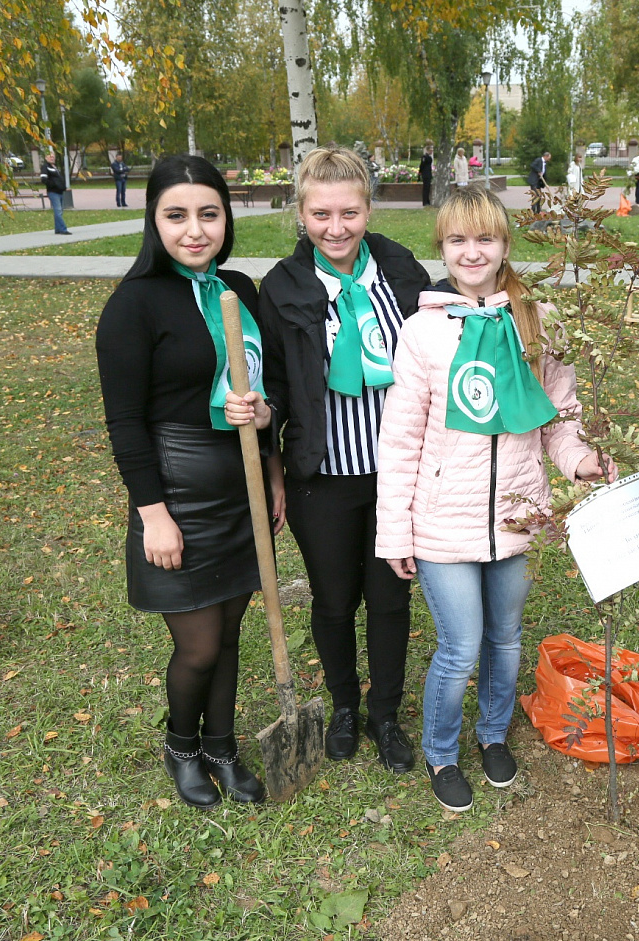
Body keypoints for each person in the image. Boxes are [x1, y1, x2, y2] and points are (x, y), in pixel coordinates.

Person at [375, 186, 616, 812]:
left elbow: (558, 416)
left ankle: (492, 735)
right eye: (458, 240)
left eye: (485, 238)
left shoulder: (534, 322)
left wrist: (581, 459)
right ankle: (443, 750)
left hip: (517, 515)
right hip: (440, 523)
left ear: (506, 244)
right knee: (461, 646)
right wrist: (395, 535)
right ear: (443, 249)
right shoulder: (422, 332)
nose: (472, 251)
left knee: (505, 640)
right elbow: (399, 441)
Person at [96, 155, 276, 809]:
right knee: (198, 645)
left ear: (226, 218)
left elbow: (266, 389)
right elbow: (124, 422)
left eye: (209, 213)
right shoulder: (134, 304)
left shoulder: (241, 291)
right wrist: (155, 514)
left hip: (241, 492)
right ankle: (181, 744)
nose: (194, 229)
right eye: (177, 215)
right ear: (154, 219)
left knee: (230, 633)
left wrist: (266, 430)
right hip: (178, 497)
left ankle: (222, 746)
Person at [257, 146, 429, 773]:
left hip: (395, 472)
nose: (337, 228)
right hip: (322, 474)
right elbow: (274, 379)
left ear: (367, 208)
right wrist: (268, 435)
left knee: (389, 598)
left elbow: (439, 346)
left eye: (349, 213)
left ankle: (384, 712)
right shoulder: (280, 288)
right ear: (301, 213)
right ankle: (344, 708)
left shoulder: (399, 268)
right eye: (321, 214)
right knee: (334, 598)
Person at [40, 151, 70, 235]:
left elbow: (59, 179)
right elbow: (44, 179)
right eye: (50, 157)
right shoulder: (45, 167)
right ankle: (63, 229)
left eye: (53, 156)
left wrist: (63, 187)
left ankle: (58, 229)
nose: (52, 158)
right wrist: (54, 185)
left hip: (59, 192)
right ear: (46, 158)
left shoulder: (55, 167)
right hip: (53, 192)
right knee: (58, 211)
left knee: (59, 211)